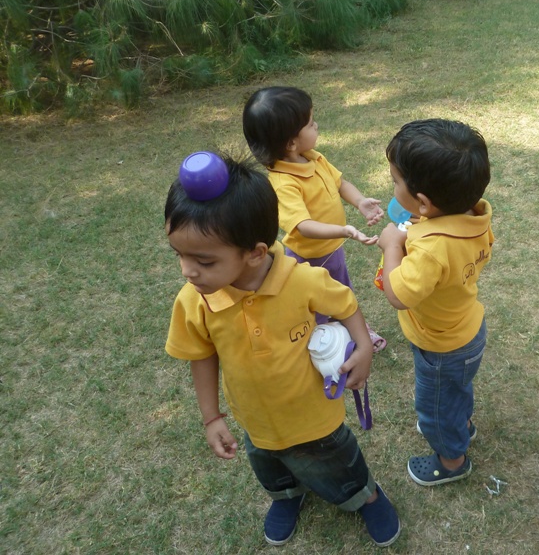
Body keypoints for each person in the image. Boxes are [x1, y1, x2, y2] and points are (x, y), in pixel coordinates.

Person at [163, 153, 400, 547]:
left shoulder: (302, 281)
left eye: (203, 260)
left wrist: (364, 346)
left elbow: (345, 304)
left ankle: (366, 496)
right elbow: (200, 355)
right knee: (268, 462)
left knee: (339, 462)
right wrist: (211, 417)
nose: (187, 271)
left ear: (256, 252)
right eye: (180, 255)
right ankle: (286, 495)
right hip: (255, 418)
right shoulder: (195, 300)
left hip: (314, 416)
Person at [377, 119, 493, 486]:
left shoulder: (429, 250)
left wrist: (391, 245)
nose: (393, 187)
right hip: (467, 329)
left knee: (435, 409)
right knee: (457, 389)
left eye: (395, 181)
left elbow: (398, 294)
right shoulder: (475, 215)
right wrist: (422, 222)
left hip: (440, 345)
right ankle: (461, 422)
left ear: (425, 203)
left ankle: (451, 459)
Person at [242, 86, 386, 351]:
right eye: (310, 123)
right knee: (314, 302)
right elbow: (304, 226)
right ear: (291, 143)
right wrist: (344, 230)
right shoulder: (283, 183)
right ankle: (323, 344)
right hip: (308, 259)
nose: (316, 125)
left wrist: (360, 202)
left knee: (341, 290)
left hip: (332, 250)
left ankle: (354, 328)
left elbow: (340, 183)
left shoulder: (314, 158)